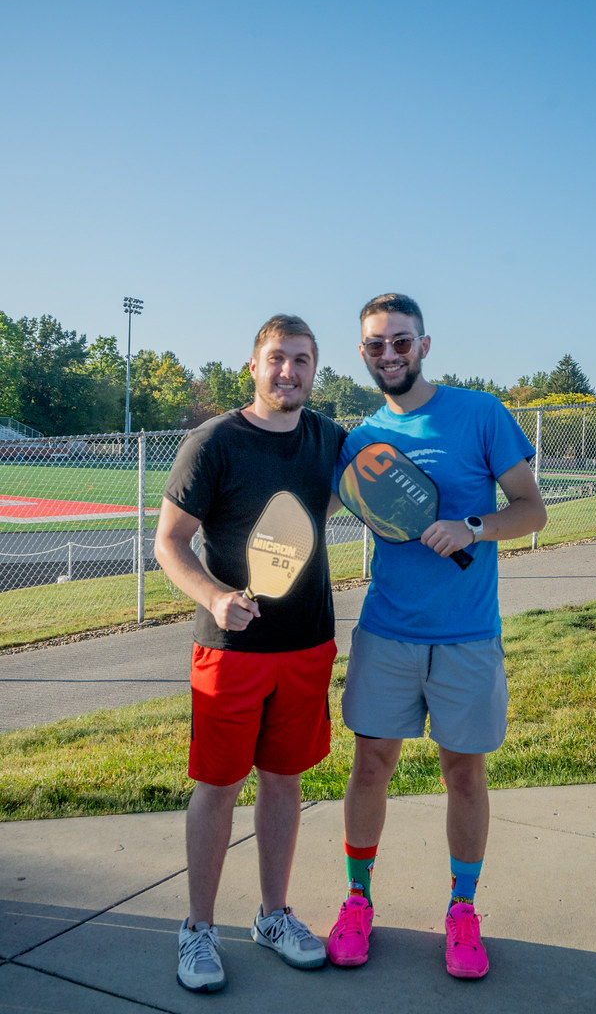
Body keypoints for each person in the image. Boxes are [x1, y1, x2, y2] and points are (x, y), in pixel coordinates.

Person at [327, 293, 546, 979]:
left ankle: (461, 909)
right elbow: (314, 509)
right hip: (386, 633)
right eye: (374, 345)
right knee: (369, 767)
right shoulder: (360, 440)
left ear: (424, 345)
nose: (388, 354)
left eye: (400, 341)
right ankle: (357, 901)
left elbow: (531, 509)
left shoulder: (480, 415)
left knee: (463, 773)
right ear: (362, 354)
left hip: (466, 638)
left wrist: (474, 528)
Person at [155, 314, 347, 993]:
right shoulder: (212, 443)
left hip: (307, 645)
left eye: (300, 360)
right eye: (276, 358)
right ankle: (198, 929)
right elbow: (170, 544)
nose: (287, 371)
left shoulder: (330, 439)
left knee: (284, 781)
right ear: (253, 364)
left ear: (313, 370)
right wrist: (212, 598)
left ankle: (273, 916)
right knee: (217, 788)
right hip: (230, 652)